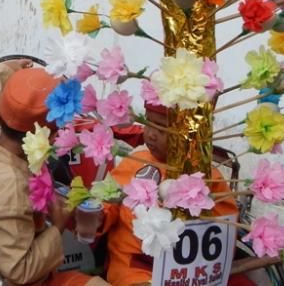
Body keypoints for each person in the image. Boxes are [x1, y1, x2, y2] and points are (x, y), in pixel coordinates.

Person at [0, 60, 108, 286]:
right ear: (43, 137)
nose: (57, 138)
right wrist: (58, 225)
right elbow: (18, 271)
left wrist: (7, 69)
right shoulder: (13, 191)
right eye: (56, 132)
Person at [88, 103, 238, 286]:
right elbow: (106, 203)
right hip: (134, 270)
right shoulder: (134, 162)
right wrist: (95, 216)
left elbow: (224, 231)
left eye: (163, 129)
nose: (151, 134)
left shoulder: (209, 178)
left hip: (188, 275)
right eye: (149, 123)